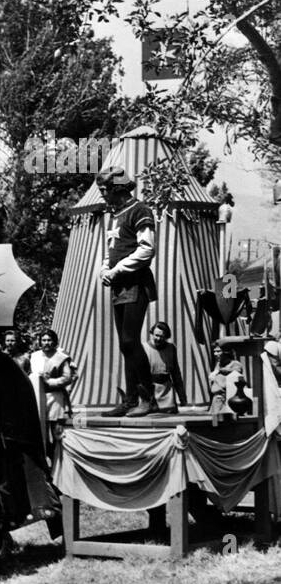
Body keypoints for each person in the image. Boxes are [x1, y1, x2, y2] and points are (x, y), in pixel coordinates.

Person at [98, 165, 157, 417]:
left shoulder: (140, 210)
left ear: (117, 189)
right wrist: (104, 268)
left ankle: (148, 398)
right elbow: (113, 249)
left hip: (135, 283)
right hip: (119, 285)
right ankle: (131, 399)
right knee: (125, 344)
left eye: (105, 190)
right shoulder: (116, 215)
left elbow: (146, 250)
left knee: (131, 340)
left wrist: (117, 270)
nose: (103, 195)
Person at [29, 329, 76, 460]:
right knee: (41, 431)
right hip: (38, 396)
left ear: (54, 341)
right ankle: (46, 463)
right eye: (44, 340)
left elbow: (68, 377)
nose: (46, 343)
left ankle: (58, 463)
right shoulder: (34, 356)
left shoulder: (61, 357)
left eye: (49, 340)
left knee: (56, 431)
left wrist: (50, 381)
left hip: (55, 396)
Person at [143, 321, 187, 416]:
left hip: (167, 393)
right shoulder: (144, 347)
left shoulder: (171, 348)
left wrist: (182, 397)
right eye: (156, 335)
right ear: (152, 333)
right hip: (150, 392)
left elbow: (176, 374)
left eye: (161, 336)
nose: (158, 339)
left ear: (166, 337)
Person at [208, 342, 245, 417]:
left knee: (223, 424)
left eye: (218, 351)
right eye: (214, 351)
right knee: (214, 423)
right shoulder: (219, 364)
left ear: (226, 352)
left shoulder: (235, 364)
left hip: (226, 400)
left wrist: (219, 371)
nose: (215, 354)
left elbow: (236, 373)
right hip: (216, 400)